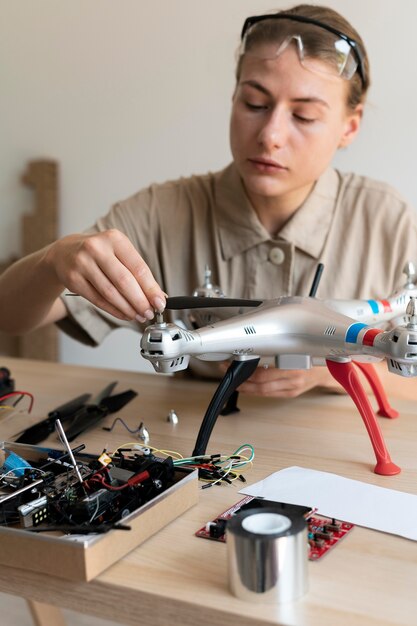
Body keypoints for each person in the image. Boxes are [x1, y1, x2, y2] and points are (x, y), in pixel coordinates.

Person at [1, 4, 417, 398]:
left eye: (304, 116)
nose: (270, 135)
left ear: (350, 126)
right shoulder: (159, 214)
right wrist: (52, 263)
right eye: (254, 103)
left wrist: (333, 375)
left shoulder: (389, 221)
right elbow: (10, 316)